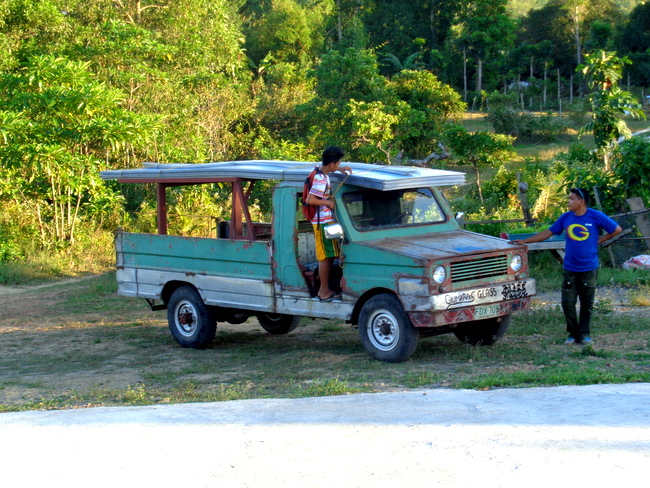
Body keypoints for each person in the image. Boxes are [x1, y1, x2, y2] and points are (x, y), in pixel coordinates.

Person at [511, 188, 622, 345]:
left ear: (581, 202)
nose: (568, 202)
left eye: (571, 199)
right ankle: (572, 333)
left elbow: (616, 229)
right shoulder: (566, 217)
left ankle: (584, 334)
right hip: (570, 267)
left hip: (589, 267)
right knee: (567, 303)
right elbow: (548, 232)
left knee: (587, 303)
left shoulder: (595, 216)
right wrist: (525, 241)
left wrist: (600, 240)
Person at [305, 145, 352, 302]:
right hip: (322, 223)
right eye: (338, 163)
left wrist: (340, 168)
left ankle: (326, 289)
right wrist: (328, 203)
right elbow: (310, 200)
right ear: (332, 164)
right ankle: (323, 291)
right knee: (325, 257)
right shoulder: (320, 179)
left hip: (326, 222)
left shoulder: (319, 171)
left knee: (331, 255)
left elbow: (327, 168)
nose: (338, 166)